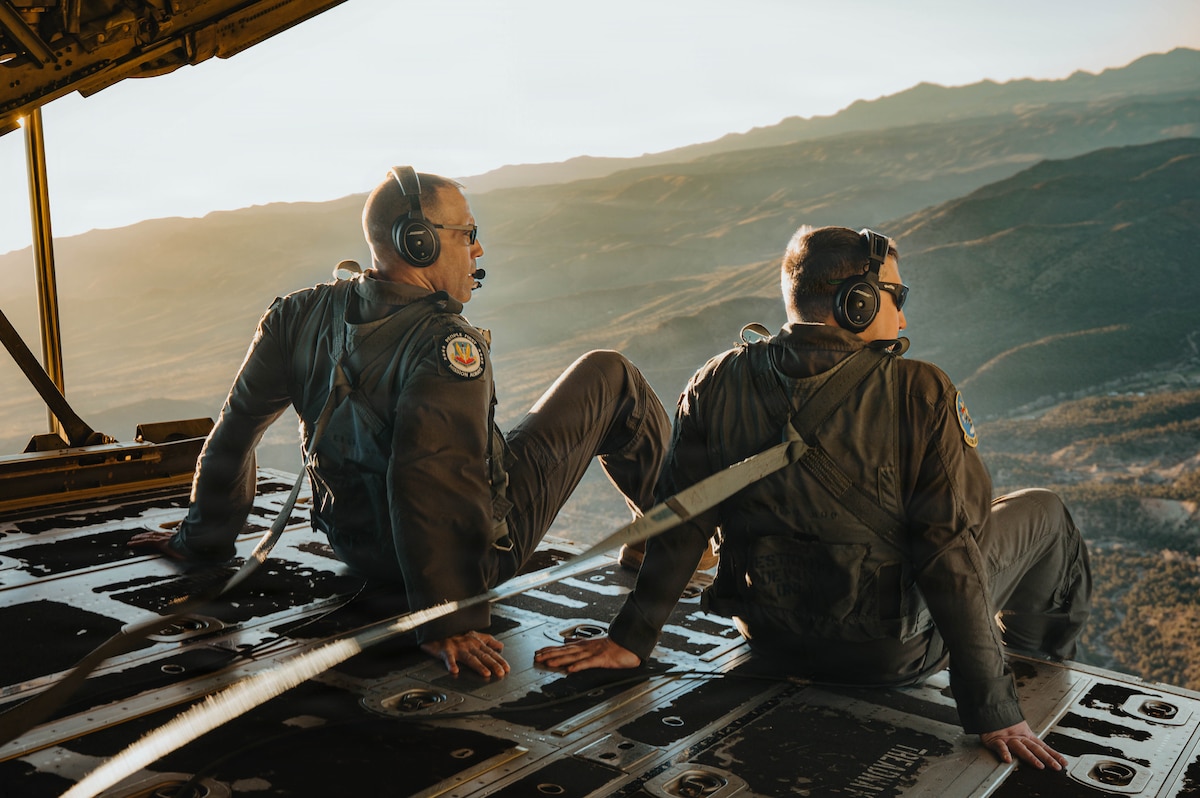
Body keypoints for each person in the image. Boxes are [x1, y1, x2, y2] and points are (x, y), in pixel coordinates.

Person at [535, 225, 1091, 771]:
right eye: (897, 297)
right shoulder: (921, 390)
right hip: (889, 654)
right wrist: (993, 707)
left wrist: (632, 639)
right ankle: (1033, 666)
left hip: (769, 638)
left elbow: (681, 522)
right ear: (858, 301)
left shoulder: (715, 380)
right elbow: (951, 553)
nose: (904, 316)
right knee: (1045, 512)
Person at [130, 167, 670, 680]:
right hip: (466, 566)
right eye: (467, 234)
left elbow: (236, 429)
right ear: (419, 243)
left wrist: (201, 539)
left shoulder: (295, 315)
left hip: (355, 546)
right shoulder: (444, 345)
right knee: (611, 375)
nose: (478, 249)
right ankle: (662, 541)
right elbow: (433, 480)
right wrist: (447, 620)